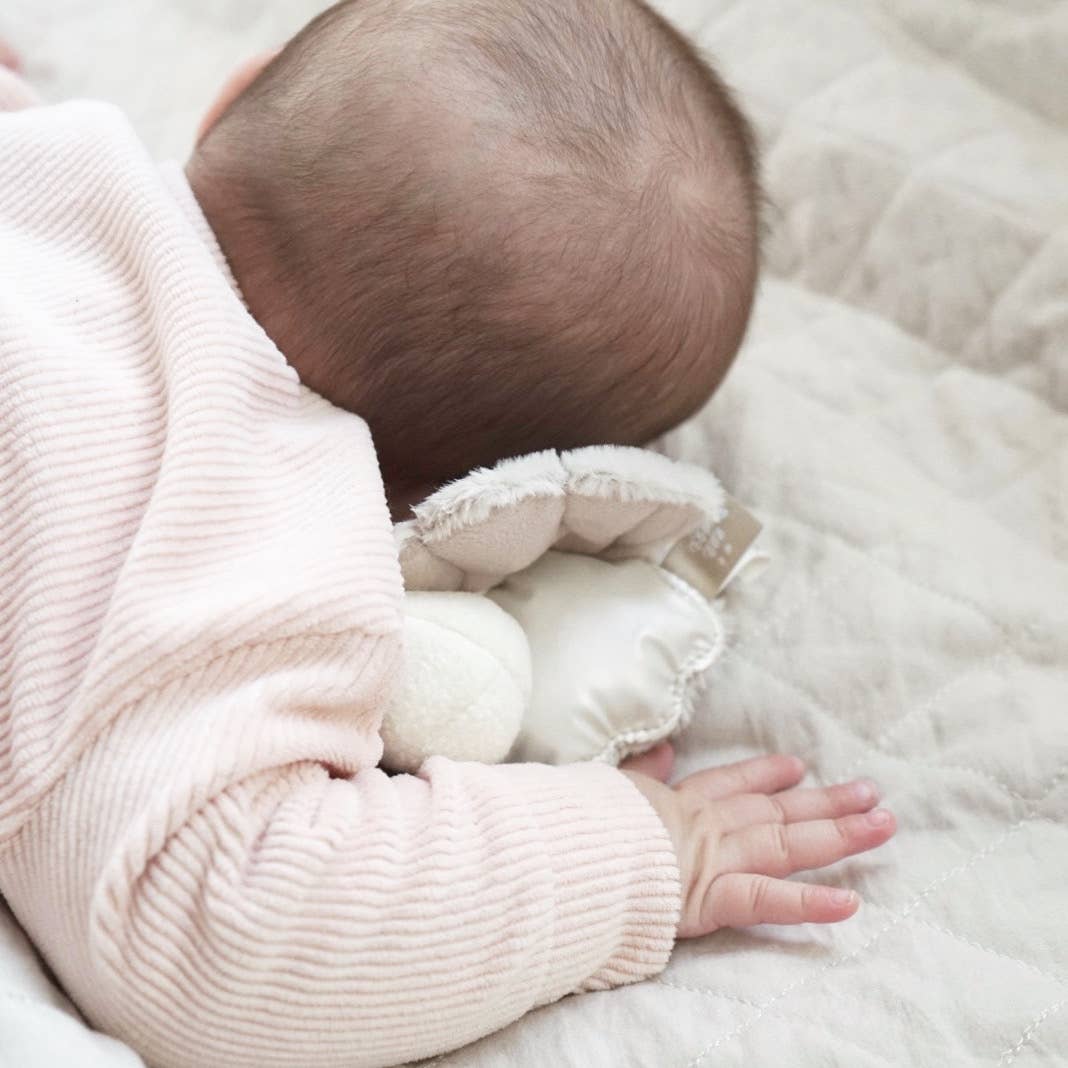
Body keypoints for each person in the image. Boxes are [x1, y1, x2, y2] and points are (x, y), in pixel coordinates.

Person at [0, 4, 895, 1066]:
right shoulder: (260, 544)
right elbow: (231, 934)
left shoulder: (50, 154)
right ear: (460, 490)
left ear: (233, 96)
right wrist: (649, 851)